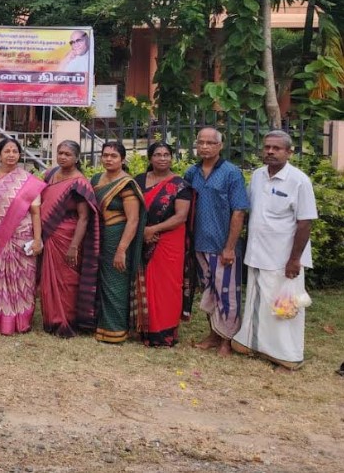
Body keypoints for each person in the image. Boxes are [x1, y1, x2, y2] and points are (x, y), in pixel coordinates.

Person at [232, 131, 318, 369]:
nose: (270, 151)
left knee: (283, 307)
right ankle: (253, 343)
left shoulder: (299, 181)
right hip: (257, 252)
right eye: (267, 147)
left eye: (277, 148)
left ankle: (288, 355)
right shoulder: (258, 175)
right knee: (257, 302)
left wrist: (294, 259)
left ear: (289, 152)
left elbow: (305, 222)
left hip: (283, 258)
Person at [184, 127, 249, 357]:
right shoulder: (191, 173)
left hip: (223, 247)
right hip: (199, 244)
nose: (204, 146)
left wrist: (229, 247)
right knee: (209, 292)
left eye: (210, 143)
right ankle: (213, 334)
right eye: (200, 142)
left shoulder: (231, 173)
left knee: (227, 294)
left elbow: (239, 211)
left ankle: (227, 340)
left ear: (220, 146)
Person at [0, 138, 46, 335]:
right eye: (7, 151)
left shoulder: (28, 181)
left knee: (23, 280)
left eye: (15, 151)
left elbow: (36, 212)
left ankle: (21, 321)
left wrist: (38, 239)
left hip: (22, 237)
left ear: (19, 155)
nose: (11, 155)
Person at [39, 140, 100, 338]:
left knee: (67, 280)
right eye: (60, 153)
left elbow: (84, 217)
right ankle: (51, 320)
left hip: (68, 236)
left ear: (76, 158)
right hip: (49, 234)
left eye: (68, 154)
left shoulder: (79, 183)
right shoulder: (50, 174)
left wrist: (74, 246)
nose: (63, 157)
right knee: (49, 279)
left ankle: (67, 322)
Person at [134, 142, 192, 347]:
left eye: (166, 154)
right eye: (157, 154)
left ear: (171, 158)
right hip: (142, 237)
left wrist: (153, 230)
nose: (162, 158)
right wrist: (142, 231)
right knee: (145, 283)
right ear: (150, 158)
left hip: (168, 240)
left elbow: (181, 217)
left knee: (167, 285)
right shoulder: (138, 180)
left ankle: (165, 332)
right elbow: (131, 209)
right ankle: (145, 329)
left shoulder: (180, 185)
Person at [91, 140, 146, 344]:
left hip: (118, 236)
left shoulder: (126, 183)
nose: (108, 159)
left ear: (122, 159)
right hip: (99, 235)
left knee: (116, 281)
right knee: (99, 281)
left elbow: (133, 220)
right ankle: (100, 325)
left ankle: (115, 329)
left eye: (113, 156)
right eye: (105, 155)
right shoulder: (97, 179)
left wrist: (122, 249)